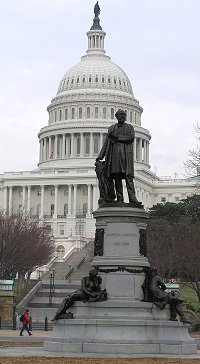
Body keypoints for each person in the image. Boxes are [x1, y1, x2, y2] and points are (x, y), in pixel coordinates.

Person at [96, 109, 140, 204]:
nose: (123, 116)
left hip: (126, 156)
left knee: (129, 178)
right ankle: (120, 199)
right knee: (117, 178)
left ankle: (132, 198)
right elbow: (106, 143)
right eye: (121, 115)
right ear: (116, 116)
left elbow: (130, 138)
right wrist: (100, 156)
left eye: (124, 115)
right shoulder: (111, 129)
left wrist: (117, 138)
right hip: (114, 157)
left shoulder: (129, 128)